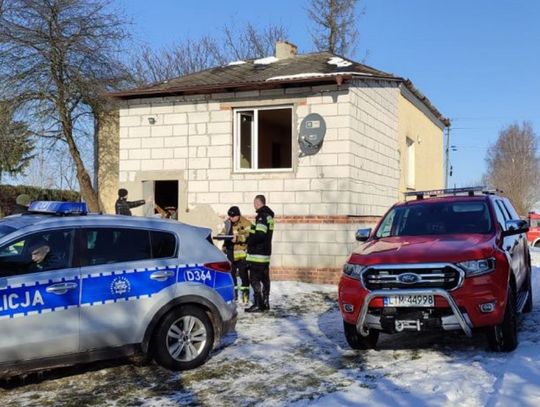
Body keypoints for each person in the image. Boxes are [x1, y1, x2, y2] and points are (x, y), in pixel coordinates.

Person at [245, 195, 275, 313]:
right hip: (265, 254)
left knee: (254, 279)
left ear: (258, 203)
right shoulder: (269, 216)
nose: (254, 205)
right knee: (265, 279)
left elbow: (260, 235)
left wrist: (249, 241)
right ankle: (265, 302)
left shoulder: (262, 216)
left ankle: (258, 304)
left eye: (254, 203)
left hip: (258, 254)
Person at [220, 206, 252, 303]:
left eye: (233, 216)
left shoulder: (246, 223)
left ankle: (245, 297)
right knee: (231, 276)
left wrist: (238, 238)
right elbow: (223, 233)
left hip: (242, 255)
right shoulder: (228, 223)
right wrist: (221, 237)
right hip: (230, 253)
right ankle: (234, 296)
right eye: (230, 216)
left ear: (238, 215)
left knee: (244, 277)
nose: (231, 218)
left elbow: (250, 236)